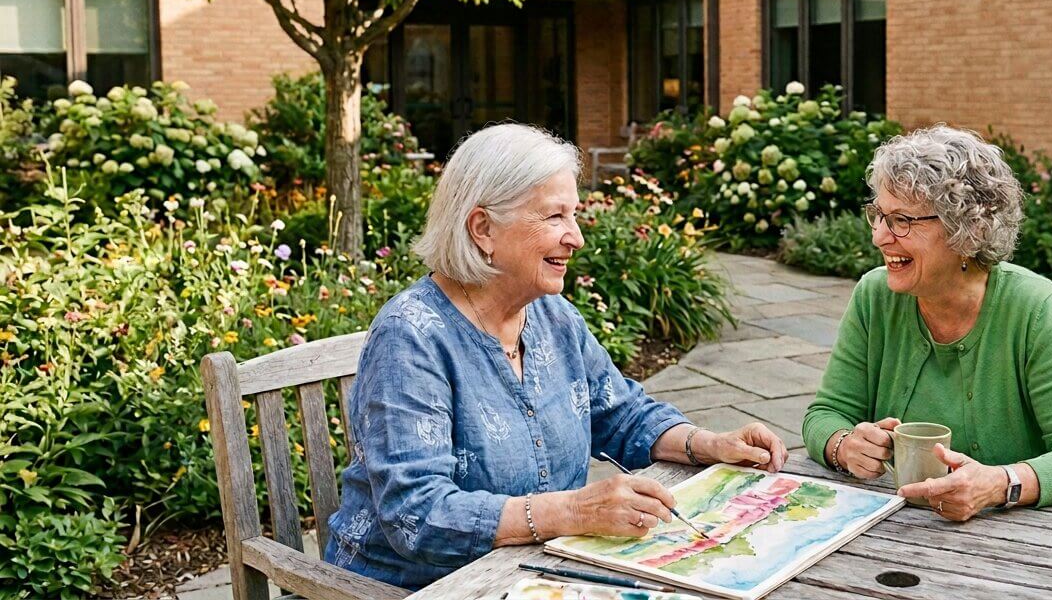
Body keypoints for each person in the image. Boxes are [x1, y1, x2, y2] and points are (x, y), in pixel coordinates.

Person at [325, 123, 787, 590]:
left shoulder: (551, 316)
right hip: (413, 586)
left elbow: (620, 414)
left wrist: (707, 444)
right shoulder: (411, 336)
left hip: (535, 573)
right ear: (483, 228)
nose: (576, 237)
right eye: (554, 217)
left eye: (574, 215)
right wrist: (574, 510)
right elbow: (417, 515)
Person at [803, 125, 1052, 521]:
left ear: (967, 230)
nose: (880, 236)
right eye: (878, 215)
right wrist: (843, 445)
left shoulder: (1035, 308)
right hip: (894, 527)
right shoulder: (873, 296)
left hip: (1014, 535)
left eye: (902, 220)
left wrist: (1000, 484)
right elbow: (825, 414)